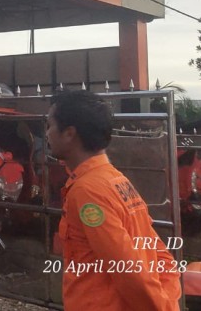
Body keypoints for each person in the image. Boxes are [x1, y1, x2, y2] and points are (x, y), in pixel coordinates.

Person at [47, 89, 181, 310]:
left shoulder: (88, 191)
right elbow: (162, 258)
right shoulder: (117, 181)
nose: (48, 134)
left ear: (69, 133)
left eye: (50, 125)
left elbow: (128, 271)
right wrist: (168, 302)